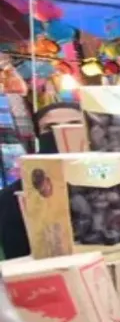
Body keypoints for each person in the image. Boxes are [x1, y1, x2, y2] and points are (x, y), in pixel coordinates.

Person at [0, 102, 83, 259]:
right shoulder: (13, 197)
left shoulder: (117, 181)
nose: (60, 133)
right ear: (38, 135)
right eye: (50, 128)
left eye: (74, 125)